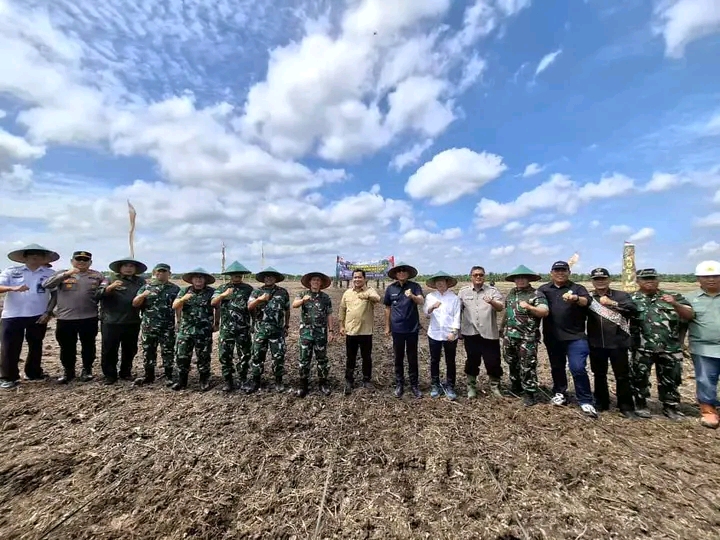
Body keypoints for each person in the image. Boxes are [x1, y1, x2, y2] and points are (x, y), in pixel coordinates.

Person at [630, 268, 694, 420]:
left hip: (670, 346)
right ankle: (640, 404)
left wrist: (675, 304)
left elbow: (690, 315)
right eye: (645, 279)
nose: (649, 281)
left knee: (671, 378)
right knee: (639, 377)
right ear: (638, 281)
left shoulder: (674, 296)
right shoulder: (631, 299)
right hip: (642, 347)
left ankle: (670, 406)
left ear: (658, 280)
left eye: (652, 278)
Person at [538, 261, 597, 417]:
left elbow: (587, 301)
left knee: (577, 367)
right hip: (553, 337)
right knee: (557, 367)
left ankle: (585, 400)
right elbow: (539, 305)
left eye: (563, 270)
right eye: (557, 270)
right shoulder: (544, 289)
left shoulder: (577, 288)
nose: (560, 273)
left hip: (575, 337)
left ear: (569, 272)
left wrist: (575, 298)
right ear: (551, 273)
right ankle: (560, 393)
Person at [0, 244, 58, 388]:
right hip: (12, 315)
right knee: (10, 346)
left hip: (38, 314)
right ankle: (8, 377)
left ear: (44, 258)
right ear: (24, 257)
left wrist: (48, 312)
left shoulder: (50, 273)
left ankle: (33, 373)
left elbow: (55, 294)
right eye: (31, 254)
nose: (35, 257)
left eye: (39, 255)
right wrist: (12, 288)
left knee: (36, 345)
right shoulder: (11, 271)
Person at [42, 250, 104, 383]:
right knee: (66, 347)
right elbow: (47, 284)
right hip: (66, 318)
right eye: (78, 259)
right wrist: (66, 274)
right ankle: (68, 371)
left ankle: (87, 370)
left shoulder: (97, 276)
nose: (81, 262)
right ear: (72, 261)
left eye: (85, 260)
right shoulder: (62, 273)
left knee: (88, 346)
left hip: (89, 317)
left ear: (90, 262)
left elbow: (104, 291)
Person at [586, 267, 638, 418]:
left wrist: (613, 303)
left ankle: (626, 406)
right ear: (592, 281)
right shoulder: (589, 297)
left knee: (622, 376)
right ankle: (601, 402)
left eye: (603, 279)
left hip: (618, 342)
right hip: (597, 343)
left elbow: (632, 309)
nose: (600, 282)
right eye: (596, 279)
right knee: (599, 374)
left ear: (609, 280)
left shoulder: (621, 295)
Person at [500, 265, 549, 407]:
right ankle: (516, 387)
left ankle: (529, 393)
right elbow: (508, 312)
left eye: (523, 278)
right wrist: (502, 328)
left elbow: (544, 312)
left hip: (527, 337)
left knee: (527, 365)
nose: (520, 280)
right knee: (511, 362)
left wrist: (529, 307)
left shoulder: (536, 294)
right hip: (510, 335)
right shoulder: (512, 293)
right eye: (518, 278)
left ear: (529, 279)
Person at [96, 257, 147, 384]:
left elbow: (145, 300)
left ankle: (126, 372)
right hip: (111, 321)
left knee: (130, 349)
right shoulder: (109, 279)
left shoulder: (141, 282)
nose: (128, 269)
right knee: (109, 350)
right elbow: (97, 294)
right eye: (125, 266)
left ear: (135, 269)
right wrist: (110, 288)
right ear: (120, 268)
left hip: (132, 321)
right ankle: (110, 375)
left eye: (131, 266)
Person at [458, 265, 504, 398]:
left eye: (481, 275)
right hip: (470, 333)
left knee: (493, 361)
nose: (478, 277)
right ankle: (471, 387)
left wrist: (492, 302)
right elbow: (457, 311)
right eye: (475, 275)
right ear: (471, 277)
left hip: (489, 332)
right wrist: (458, 329)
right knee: (472, 360)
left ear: (484, 276)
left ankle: (495, 387)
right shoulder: (463, 292)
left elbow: (500, 307)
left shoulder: (492, 291)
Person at [132, 263, 180, 386]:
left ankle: (169, 375)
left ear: (169, 274)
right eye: (158, 271)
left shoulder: (175, 289)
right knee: (148, 351)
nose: (161, 273)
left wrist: (179, 321)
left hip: (167, 326)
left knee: (168, 351)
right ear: (154, 272)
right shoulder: (146, 287)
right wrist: (143, 295)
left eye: (164, 271)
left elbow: (179, 307)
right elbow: (135, 303)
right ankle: (149, 375)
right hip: (149, 326)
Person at [172, 268, 219, 391]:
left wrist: (216, 323)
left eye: (201, 277)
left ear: (205, 280)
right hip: (186, 330)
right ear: (191, 279)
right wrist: (183, 299)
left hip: (204, 330)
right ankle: (182, 381)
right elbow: (175, 305)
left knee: (204, 356)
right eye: (196, 277)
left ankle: (204, 380)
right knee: (182, 356)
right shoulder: (184, 291)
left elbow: (217, 307)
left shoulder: (211, 292)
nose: (198, 279)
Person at [246, 267, 291, 393]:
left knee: (278, 357)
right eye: (266, 276)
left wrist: (286, 326)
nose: (269, 278)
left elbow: (287, 310)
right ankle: (256, 381)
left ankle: (278, 381)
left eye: (271, 276)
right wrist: (260, 299)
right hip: (260, 331)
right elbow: (249, 307)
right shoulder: (256, 292)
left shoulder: (282, 292)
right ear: (263, 279)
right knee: (257, 356)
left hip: (277, 331)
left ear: (275, 278)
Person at [211, 261, 254, 393]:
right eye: (235, 274)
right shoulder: (222, 288)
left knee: (245, 355)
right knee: (225, 355)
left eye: (239, 274)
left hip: (243, 329)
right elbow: (213, 303)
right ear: (230, 275)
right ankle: (228, 380)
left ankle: (243, 379)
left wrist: (253, 323)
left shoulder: (248, 289)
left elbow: (252, 307)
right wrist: (224, 295)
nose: (237, 276)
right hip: (226, 329)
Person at [383, 261, 424, 398]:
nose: (401, 273)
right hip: (397, 329)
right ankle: (399, 384)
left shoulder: (415, 286)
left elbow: (421, 301)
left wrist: (412, 296)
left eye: (404, 271)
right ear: (395, 274)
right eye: (399, 271)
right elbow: (387, 308)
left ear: (408, 273)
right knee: (398, 357)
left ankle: (414, 385)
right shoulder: (390, 289)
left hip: (412, 328)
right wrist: (387, 326)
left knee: (412, 358)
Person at [688, 260, 720, 429]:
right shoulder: (689, 298)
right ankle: (708, 410)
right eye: (706, 276)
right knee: (706, 379)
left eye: (715, 276)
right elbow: (682, 323)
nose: (711, 279)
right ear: (698, 279)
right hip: (704, 346)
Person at [338, 269, 380, 394]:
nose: (357, 279)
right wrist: (341, 326)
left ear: (364, 279)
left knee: (366, 357)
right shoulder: (347, 293)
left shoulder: (370, 291)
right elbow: (342, 310)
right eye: (355, 277)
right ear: (352, 279)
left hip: (365, 331)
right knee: (350, 357)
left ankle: (366, 380)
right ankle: (349, 380)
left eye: (360, 277)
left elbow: (377, 298)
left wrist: (367, 296)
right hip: (351, 331)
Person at [293, 271, 335, 397]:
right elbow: (294, 305)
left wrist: (331, 331)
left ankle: (323, 383)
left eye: (318, 280)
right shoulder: (302, 294)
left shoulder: (325, 298)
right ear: (310, 282)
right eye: (313, 280)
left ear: (321, 283)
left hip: (320, 334)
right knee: (304, 359)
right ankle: (303, 384)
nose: (316, 282)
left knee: (322, 359)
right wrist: (302, 301)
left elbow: (329, 314)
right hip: (306, 334)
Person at [423, 271, 461, 400]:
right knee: (434, 360)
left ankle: (450, 386)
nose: (439, 284)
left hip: (450, 334)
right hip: (434, 333)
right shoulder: (430, 297)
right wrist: (431, 308)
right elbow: (426, 313)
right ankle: (435, 385)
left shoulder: (454, 298)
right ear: (434, 284)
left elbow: (457, 316)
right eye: (437, 282)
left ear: (447, 283)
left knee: (450, 361)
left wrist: (454, 332)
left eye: (442, 281)